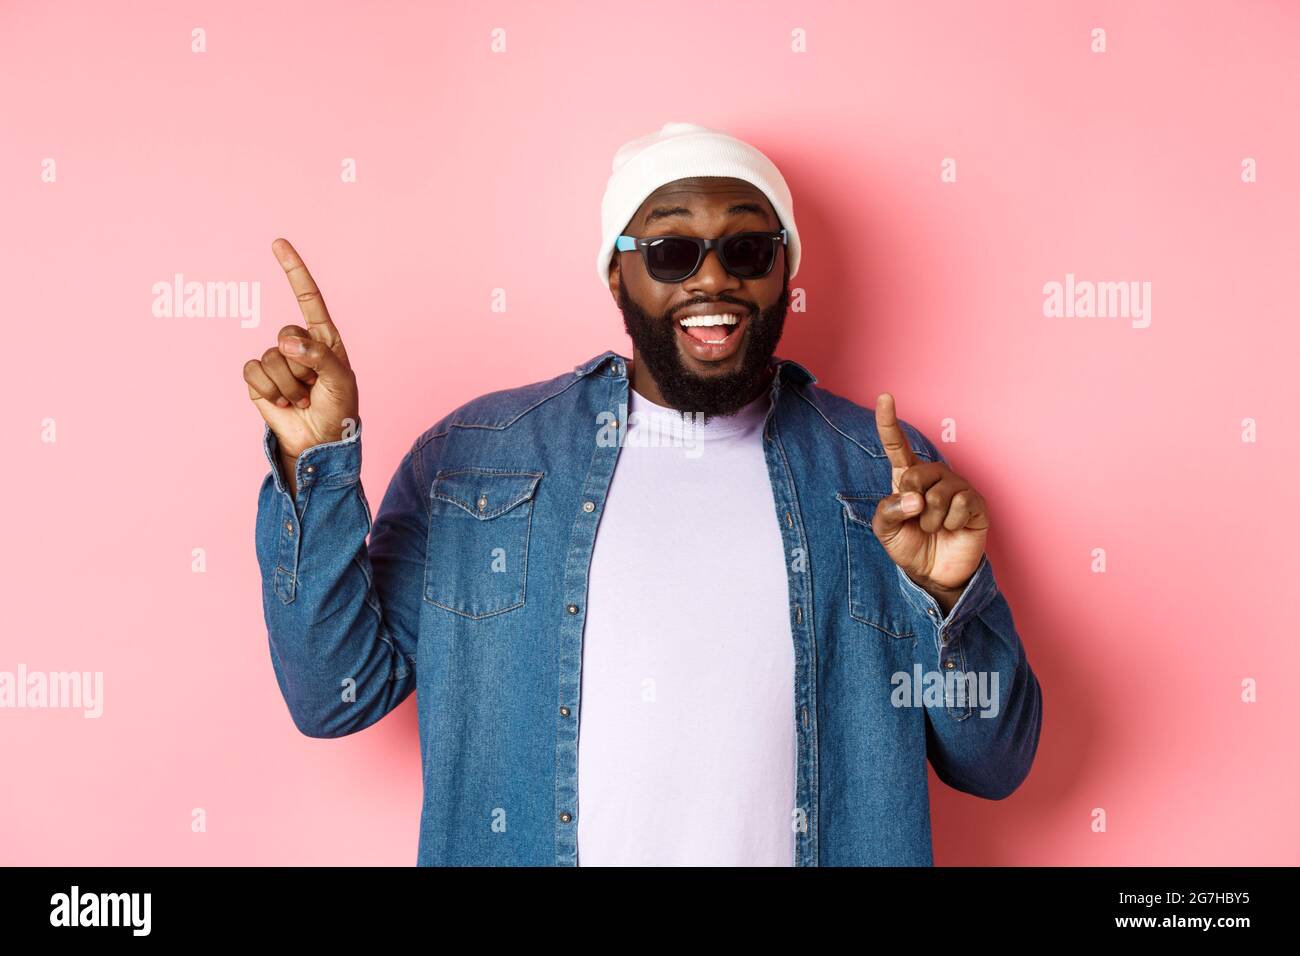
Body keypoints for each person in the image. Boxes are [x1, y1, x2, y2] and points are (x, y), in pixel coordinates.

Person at [244, 121, 1043, 866]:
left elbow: (994, 763)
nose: (714, 278)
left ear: (785, 273)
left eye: (748, 248)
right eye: (670, 251)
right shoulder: (476, 460)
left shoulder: (884, 477)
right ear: (617, 274)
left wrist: (948, 598)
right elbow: (332, 696)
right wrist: (317, 461)